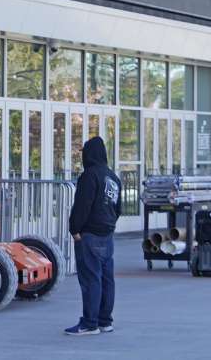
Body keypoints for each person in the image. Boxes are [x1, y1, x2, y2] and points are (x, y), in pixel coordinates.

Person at [65, 136, 121, 336]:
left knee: (90, 279)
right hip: (107, 235)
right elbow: (118, 208)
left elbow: (82, 206)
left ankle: (89, 323)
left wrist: (75, 230)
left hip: (89, 235)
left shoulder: (89, 175)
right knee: (107, 280)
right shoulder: (113, 177)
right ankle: (105, 321)